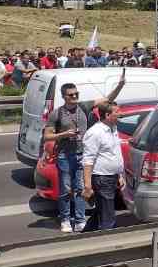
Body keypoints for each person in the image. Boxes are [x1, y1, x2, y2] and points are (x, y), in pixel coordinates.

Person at [45, 69, 126, 233]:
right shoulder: (57, 113)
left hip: (81, 153)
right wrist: (63, 135)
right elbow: (47, 136)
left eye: (76, 94)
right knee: (66, 189)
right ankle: (66, 219)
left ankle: (80, 219)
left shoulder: (83, 106)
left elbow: (108, 100)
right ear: (64, 97)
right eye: (71, 95)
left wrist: (120, 85)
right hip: (65, 155)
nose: (75, 97)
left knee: (81, 188)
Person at [81, 101, 125, 231]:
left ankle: (85, 236)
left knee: (101, 211)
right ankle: (108, 243)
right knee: (108, 216)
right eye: (117, 112)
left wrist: (119, 175)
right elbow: (88, 160)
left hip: (112, 177)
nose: (120, 114)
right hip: (102, 178)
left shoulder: (113, 128)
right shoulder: (95, 133)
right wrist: (87, 186)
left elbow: (115, 153)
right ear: (107, 115)